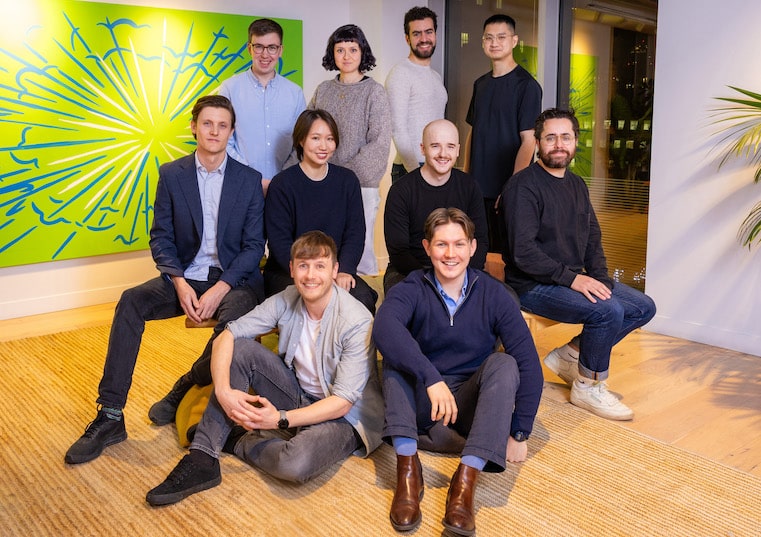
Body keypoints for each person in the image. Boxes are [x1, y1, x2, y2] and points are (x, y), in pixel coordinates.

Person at [65, 95, 266, 464]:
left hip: (233, 281)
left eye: (222, 125)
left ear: (231, 132)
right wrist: (178, 281)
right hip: (186, 277)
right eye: (207, 123)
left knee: (233, 323)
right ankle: (110, 415)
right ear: (194, 127)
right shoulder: (172, 174)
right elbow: (161, 237)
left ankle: (189, 386)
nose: (214, 131)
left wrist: (220, 289)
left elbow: (254, 247)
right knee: (131, 301)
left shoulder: (249, 180)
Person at [145, 231, 384, 506]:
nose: (310, 275)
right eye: (303, 265)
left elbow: (342, 403)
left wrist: (280, 419)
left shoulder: (356, 320)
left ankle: (236, 440)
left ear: (334, 270)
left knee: (294, 463)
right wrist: (222, 392)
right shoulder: (287, 298)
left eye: (320, 266)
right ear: (292, 269)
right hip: (299, 394)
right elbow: (228, 335)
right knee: (240, 348)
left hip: (344, 417)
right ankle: (202, 457)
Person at [373, 208, 542, 535]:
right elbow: (384, 328)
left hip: (468, 409)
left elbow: (527, 362)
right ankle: (408, 472)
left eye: (459, 244)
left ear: (472, 247)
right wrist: (430, 377)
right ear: (427, 247)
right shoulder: (412, 287)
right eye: (441, 244)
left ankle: (465, 482)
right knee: (396, 355)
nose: (450, 254)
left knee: (504, 363)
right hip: (423, 406)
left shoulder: (494, 294)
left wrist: (520, 431)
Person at [502, 107, 656, 421]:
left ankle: (571, 356)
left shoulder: (576, 184)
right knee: (607, 310)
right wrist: (574, 280)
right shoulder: (523, 187)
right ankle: (588, 386)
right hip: (531, 285)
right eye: (550, 138)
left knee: (643, 307)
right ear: (538, 142)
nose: (559, 144)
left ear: (575, 141)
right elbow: (523, 253)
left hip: (567, 278)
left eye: (566, 137)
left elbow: (592, 237)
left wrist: (600, 278)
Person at [264, 108, 378, 314]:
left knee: (362, 299)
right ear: (301, 140)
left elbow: (355, 233)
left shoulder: (347, 181)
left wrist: (344, 270)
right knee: (308, 304)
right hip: (290, 271)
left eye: (330, 139)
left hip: (335, 270)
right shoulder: (282, 184)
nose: (324, 146)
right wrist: (309, 273)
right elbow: (279, 242)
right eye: (315, 138)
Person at [308, 24, 391, 276]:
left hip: (360, 186)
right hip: (321, 183)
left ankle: (363, 297)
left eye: (353, 49)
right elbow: (307, 133)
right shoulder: (323, 90)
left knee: (359, 252)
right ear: (332, 53)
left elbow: (379, 144)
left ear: (362, 52)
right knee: (324, 250)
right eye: (340, 50)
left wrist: (340, 178)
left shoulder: (375, 92)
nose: (346, 56)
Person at [465, 13, 542, 253]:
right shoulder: (480, 84)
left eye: (501, 37)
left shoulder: (527, 86)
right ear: (483, 42)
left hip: (504, 190)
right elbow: (473, 132)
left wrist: (511, 189)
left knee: (502, 257)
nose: (494, 43)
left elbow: (529, 141)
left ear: (514, 41)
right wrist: (466, 177)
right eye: (489, 38)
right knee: (475, 252)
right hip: (477, 188)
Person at [383, 119, 487, 293]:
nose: (443, 154)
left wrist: (458, 276)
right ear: (423, 149)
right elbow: (399, 252)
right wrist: (436, 281)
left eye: (450, 146)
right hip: (411, 271)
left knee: (507, 297)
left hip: (460, 269)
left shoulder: (469, 187)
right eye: (435, 146)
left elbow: (480, 241)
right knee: (406, 299)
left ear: (458, 150)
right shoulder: (401, 190)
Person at [219, 18, 305, 195]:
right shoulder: (229, 89)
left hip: (285, 188)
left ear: (280, 50)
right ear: (249, 48)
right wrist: (251, 177)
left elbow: (301, 142)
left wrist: (281, 179)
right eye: (258, 47)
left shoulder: (295, 93)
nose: (265, 55)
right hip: (240, 186)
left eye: (272, 47)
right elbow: (224, 141)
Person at [385, 6, 447, 184]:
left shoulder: (436, 76)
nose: (424, 39)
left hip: (436, 164)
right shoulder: (400, 73)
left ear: (435, 35)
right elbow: (397, 129)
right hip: (411, 168)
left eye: (429, 32)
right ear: (407, 38)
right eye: (417, 34)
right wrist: (416, 173)